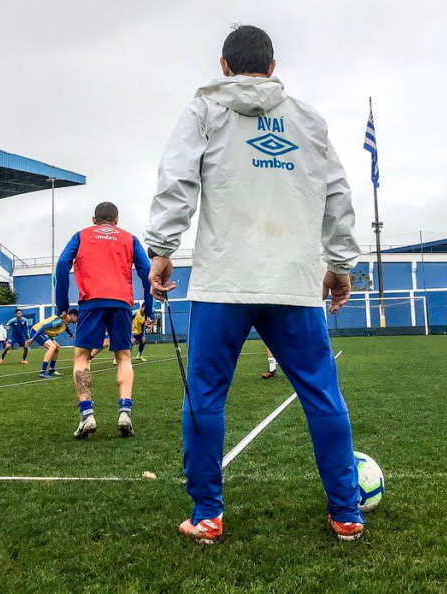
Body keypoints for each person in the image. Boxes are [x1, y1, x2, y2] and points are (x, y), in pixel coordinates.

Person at [145, 25, 364, 543]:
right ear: (272, 66)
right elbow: (337, 194)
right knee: (322, 396)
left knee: (205, 398)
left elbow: (177, 179)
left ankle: (207, 515)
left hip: (224, 282)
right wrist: (340, 264)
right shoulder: (308, 120)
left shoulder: (204, 109)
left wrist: (161, 250)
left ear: (225, 65)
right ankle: (347, 513)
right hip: (293, 283)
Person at [55, 201, 154, 439]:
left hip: (91, 302)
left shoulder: (81, 236)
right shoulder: (129, 238)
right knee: (124, 356)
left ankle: (87, 415)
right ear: (116, 220)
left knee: (81, 356)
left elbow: (61, 265)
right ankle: (125, 412)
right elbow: (147, 271)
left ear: (94, 220)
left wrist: (62, 305)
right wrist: (148, 309)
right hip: (121, 302)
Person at [27, 310, 77, 378]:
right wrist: (33, 339)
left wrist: (70, 333)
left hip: (46, 333)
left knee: (57, 347)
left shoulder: (65, 321)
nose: (78, 320)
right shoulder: (60, 321)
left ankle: (51, 370)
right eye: (77, 317)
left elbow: (65, 327)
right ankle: (42, 372)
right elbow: (44, 326)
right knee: (52, 347)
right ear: (72, 316)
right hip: (37, 331)